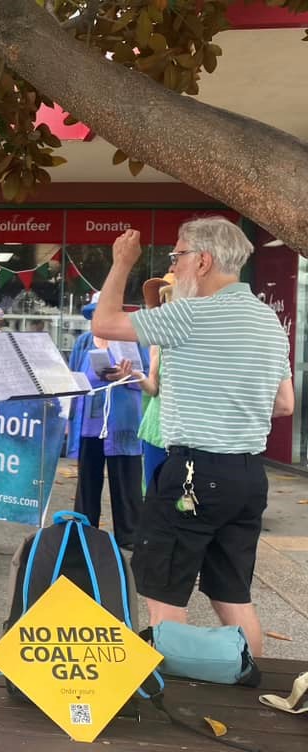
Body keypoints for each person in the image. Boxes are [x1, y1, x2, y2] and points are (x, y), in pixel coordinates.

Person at [92, 218, 294, 657]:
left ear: (203, 261)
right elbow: (284, 404)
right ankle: (251, 686)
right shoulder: (269, 320)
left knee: (164, 591)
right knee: (233, 594)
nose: (174, 267)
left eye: (177, 256)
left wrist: (122, 263)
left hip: (193, 473)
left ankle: (175, 700)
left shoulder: (190, 314)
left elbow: (104, 323)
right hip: (247, 475)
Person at [67, 291, 148, 549]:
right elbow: (73, 377)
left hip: (122, 421)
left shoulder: (133, 341)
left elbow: (147, 379)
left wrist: (126, 376)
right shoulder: (83, 341)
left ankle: (130, 534)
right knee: (88, 479)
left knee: (126, 479)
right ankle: (84, 530)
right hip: (89, 419)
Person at [138, 273, 174, 487]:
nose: (165, 304)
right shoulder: (157, 342)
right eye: (162, 299)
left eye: (169, 297)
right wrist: (138, 377)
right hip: (157, 428)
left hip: (189, 435)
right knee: (153, 492)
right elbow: (153, 387)